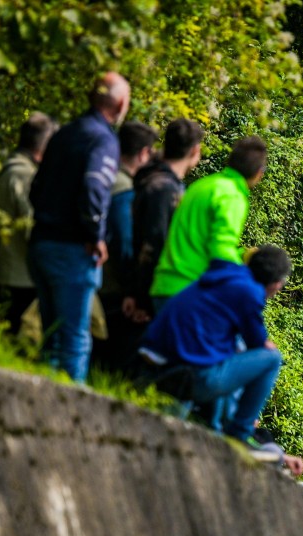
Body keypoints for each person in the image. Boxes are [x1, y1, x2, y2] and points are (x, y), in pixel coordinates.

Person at [138, 245, 303, 476]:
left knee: (230, 351)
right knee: (272, 360)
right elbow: (259, 344)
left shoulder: (226, 275)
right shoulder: (250, 293)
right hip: (189, 375)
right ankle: (240, 434)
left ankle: (218, 427)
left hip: (156, 361)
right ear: (276, 283)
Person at [28, 71, 130, 382]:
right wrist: (95, 236)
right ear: (121, 104)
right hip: (73, 250)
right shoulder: (103, 140)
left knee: (51, 336)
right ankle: (68, 406)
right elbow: (94, 189)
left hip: (41, 243)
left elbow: (36, 188)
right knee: (75, 339)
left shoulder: (64, 133)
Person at [149, 135, 267, 313]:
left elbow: (200, 240)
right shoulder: (232, 195)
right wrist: (249, 280)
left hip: (164, 284)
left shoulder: (203, 185)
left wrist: (240, 255)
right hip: (189, 290)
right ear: (259, 172)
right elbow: (220, 249)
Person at [125, 118, 204, 321]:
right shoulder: (164, 189)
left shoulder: (157, 180)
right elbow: (154, 243)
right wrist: (142, 298)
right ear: (195, 150)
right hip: (152, 293)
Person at [94, 121, 158, 371]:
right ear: (143, 153)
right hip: (112, 285)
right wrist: (133, 287)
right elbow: (124, 242)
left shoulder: (102, 175)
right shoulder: (124, 188)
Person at [0, 112, 58, 333]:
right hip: (21, 275)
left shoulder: (6, 168)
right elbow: (33, 227)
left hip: (8, 268)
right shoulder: (25, 175)